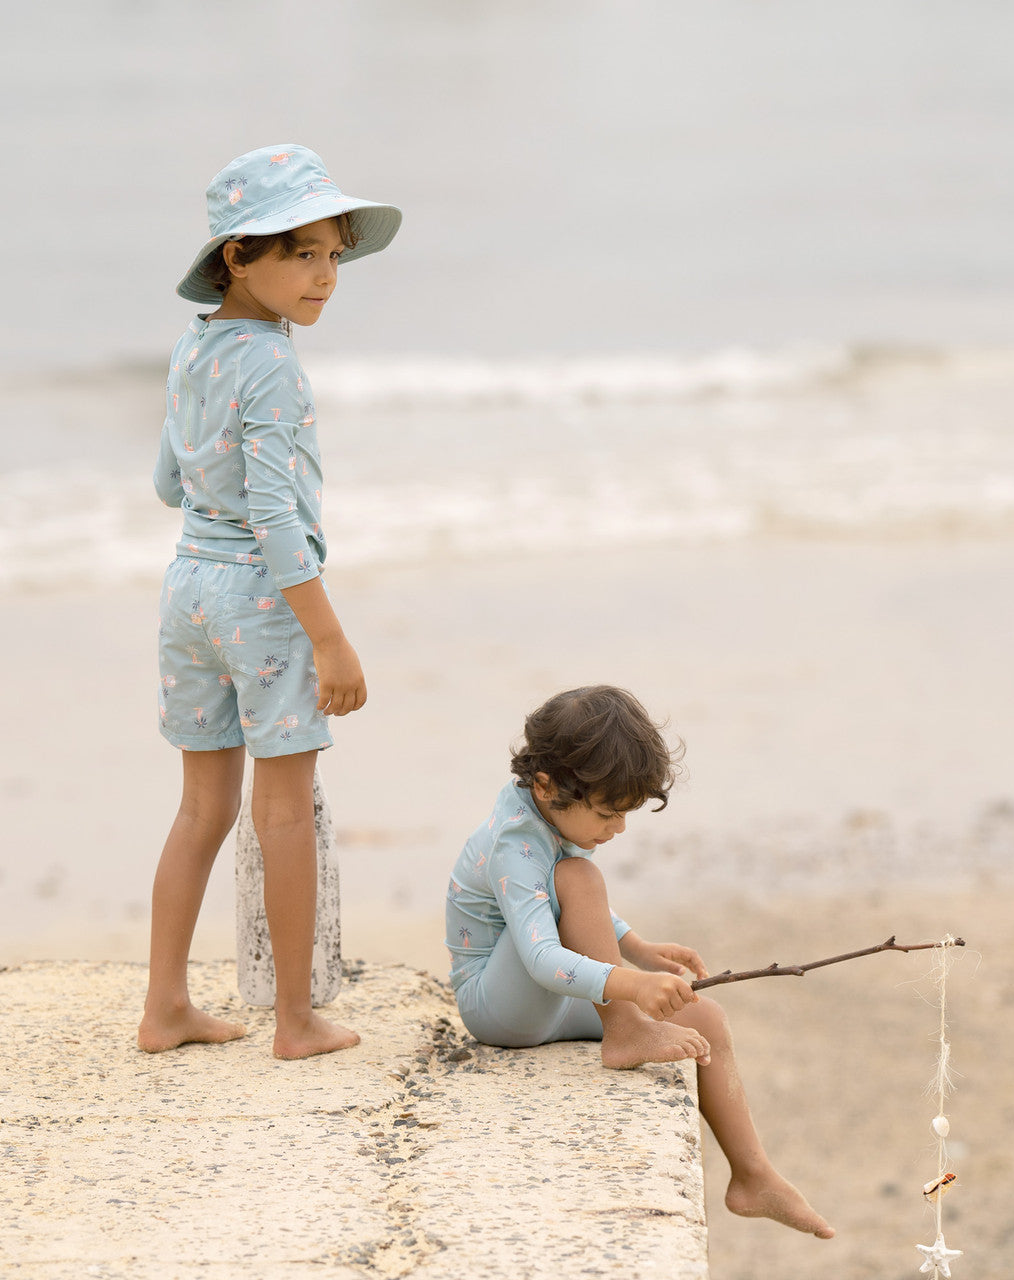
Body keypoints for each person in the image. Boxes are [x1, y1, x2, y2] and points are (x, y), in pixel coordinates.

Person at [138, 144, 401, 1059]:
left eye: (333, 254)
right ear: (236, 260)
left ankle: (164, 1005)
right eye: (301, 254)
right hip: (260, 598)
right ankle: (295, 1019)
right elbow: (280, 524)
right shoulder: (275, 367)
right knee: (282, 809)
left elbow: (171, 482)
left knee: (200, 807)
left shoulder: (193, 347)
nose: (325, 276)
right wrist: (329, 640)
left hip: (188, 593)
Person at [445, 685, 834, 1237]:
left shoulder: (550, 812)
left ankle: (752, 1176)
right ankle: (624, 1033)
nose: (619, 828)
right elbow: (539, 955)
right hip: (498, 1005)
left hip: (549, 1002)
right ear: (547, 785)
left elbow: (562, 908)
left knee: (706, 1017)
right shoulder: (516, 840)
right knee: (581, 874)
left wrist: (636, 948)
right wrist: (628, 987)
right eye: (608, 814)